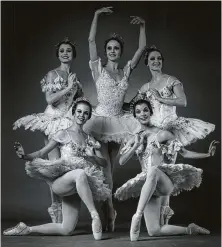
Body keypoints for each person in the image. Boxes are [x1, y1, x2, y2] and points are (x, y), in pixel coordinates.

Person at [123, 45, 215, 224]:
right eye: (152, 59)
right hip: (153, 129)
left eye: (159, 58)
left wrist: (162, 99)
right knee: (151, 167)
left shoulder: (171, 80)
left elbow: (183, 101)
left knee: (169, 167)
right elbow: (132, 106)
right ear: (147, 63)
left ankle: (164, 218)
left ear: (162, 61)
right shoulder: (145, 87)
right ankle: (153, 217)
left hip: (169, 126)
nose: (156, 61)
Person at [3, 98, 111, 240]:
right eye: (79, 111)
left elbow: (103, 163)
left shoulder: (90, 139)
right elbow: (42, 153)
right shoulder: (63, 133)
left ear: (89, 117)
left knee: (66, 229)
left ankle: (26, 229)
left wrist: (91, 157)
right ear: (73, 113)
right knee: (80, 173)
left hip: (77, 186)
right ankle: (94, 215)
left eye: (86, 113)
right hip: (61, 183)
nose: (81, 115)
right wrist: (24, 156)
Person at [115, 99, 217, 241]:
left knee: (153, 170)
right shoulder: (134, 138)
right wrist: (136, 145)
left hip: (164, 182)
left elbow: (185, 153)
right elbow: (121, 161)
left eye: (145, 110)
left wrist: (207, 154)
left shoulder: (163, 134)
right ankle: (191, 229)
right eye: (138, 112)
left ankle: (136, 216)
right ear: (135, 116)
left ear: (151, 112)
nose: (142, 114)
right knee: (154, 231)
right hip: (149, 186)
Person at [83, 6, 146, 232]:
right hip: (100, 121)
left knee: (112, 170)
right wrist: (96, 15)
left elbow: (141, 49)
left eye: (116, 48)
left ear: (120, 52)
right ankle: (109, 208)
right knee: (105, 169)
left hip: (120, 122)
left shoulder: (126, 71)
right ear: (106, 51)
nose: (112, 51)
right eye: (109, 48)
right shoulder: (98, 69)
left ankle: (109, 209)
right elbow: (90, 41)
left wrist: (142, 26)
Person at [13, 37, 83, 223]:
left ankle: (65, 212)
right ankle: (56, 209)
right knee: (54, 166)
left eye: (68, 50)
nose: (65, 53)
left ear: (73, 54)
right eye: (62, 51)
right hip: (52, 120)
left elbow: (78, 103)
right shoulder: (53, 74)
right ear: (58, 55)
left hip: (68, 122)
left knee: (65, 165)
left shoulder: (74, 77)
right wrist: (69, 87)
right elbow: (50, 100)